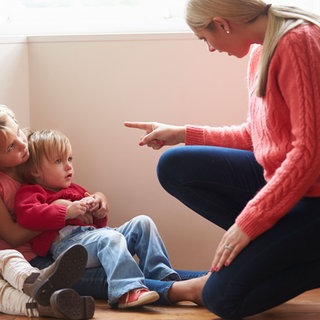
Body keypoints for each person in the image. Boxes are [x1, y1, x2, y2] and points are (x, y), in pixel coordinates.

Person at [124, 0, 320, 319]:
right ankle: (262, 256)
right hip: (292, 187)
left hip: (314, 198)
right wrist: (182, 132)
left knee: (222, 300)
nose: (211, 49)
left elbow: (310, 154)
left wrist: (249, 222)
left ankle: (219, 279)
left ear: (222, 23)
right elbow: (259, 135)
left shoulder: (299, 42)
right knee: (174, 165)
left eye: (205, 38)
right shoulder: (261, 50)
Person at [14, 128, 209, 309]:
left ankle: (161, 276)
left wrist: (98, 210)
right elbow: (28, 217)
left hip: (93, 236)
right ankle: (125, 291)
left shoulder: (74, 189)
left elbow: (98, 224)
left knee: (143, 222)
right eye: (58, 161)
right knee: (110, 239)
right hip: (68, 247)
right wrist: (65, 212)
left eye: (70, 159)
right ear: (35, 171)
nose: (68, 167)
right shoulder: (31, 192)